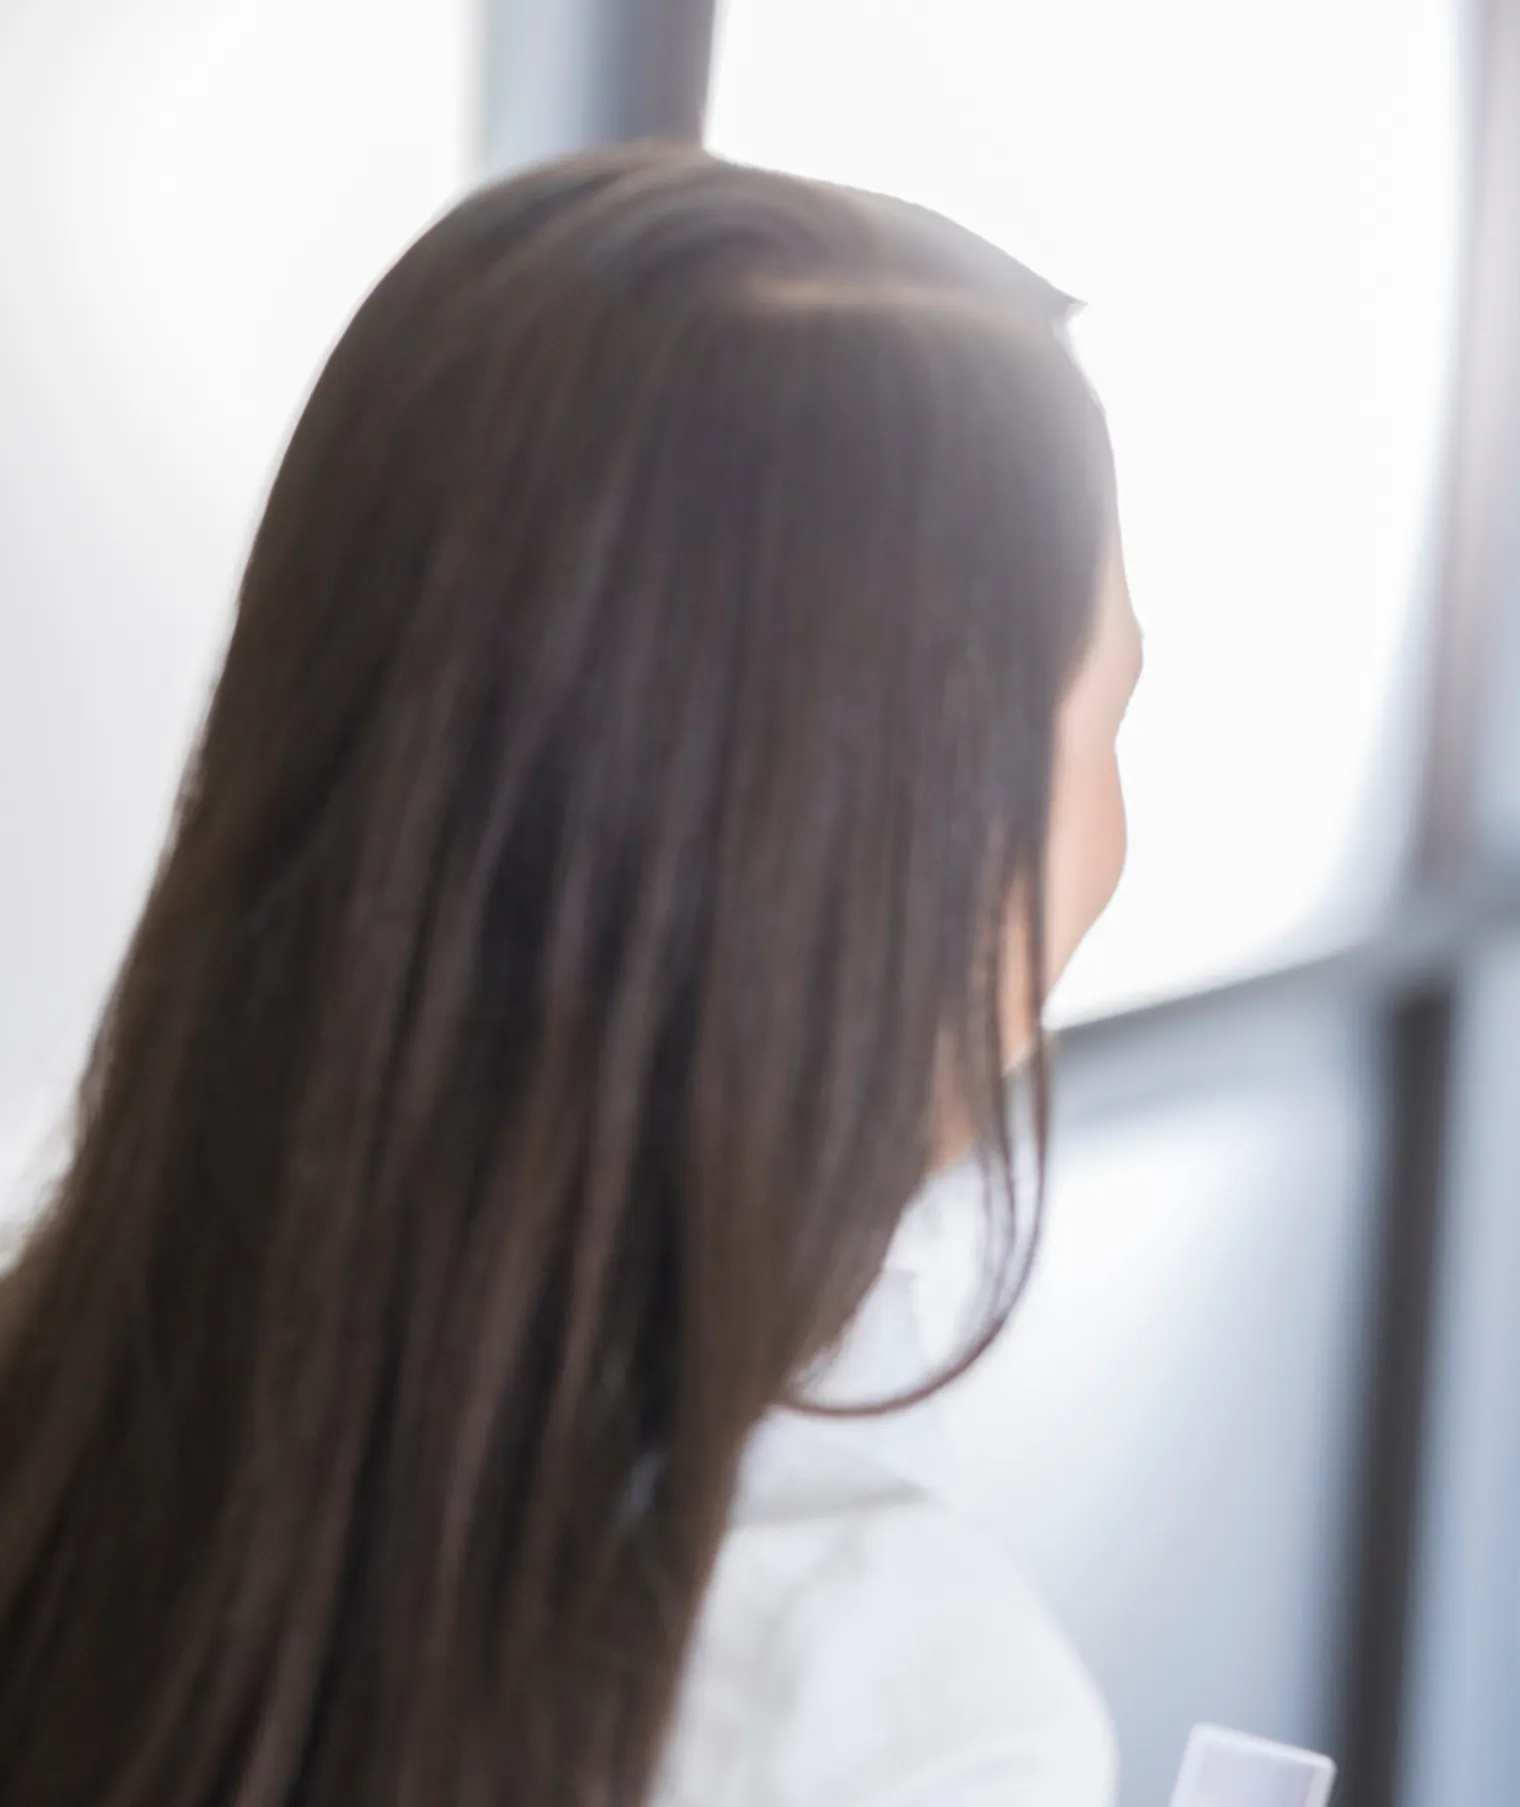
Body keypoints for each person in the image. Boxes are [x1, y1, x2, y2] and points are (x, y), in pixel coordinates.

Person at [0, 144, 1142, 1807]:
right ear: (890, 855)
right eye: (1114, 721)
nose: (1121, 832)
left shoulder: (60, 1435)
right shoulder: (887, 1700)